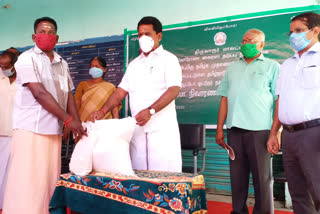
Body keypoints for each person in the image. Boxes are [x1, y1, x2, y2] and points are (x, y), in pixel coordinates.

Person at [2, 17, 86, 214]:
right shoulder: (26, 58)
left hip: (53, 130)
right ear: (34, 36)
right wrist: (68, 120)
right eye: (42, 31)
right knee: (27, 180)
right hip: (30, 129)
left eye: (50, 32)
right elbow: (39, 93)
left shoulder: (61, 63)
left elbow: (69, 96)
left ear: (56, 38)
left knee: (48, 179)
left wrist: (76, 122)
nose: (46, 35)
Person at [91, 16, 182, 172]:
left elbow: (174, 89)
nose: (143, 38)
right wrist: (103, 110)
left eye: (147, 34)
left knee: (165, 180)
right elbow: (120, 92)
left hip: (162, 132)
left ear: (158, 36)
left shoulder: (169, 60)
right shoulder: (134, 65)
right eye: (140, 35)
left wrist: (150, 111)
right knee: (139, 180)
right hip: (138, 132)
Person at [215, 29, 280, 214]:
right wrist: (220, 129)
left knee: (262, 179)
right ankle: (238, 211)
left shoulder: (272, 67)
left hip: (260, 132)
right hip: (234, 131)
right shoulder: (232, 68)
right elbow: (224, 99)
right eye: (243, 41)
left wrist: (276, 132)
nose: (245, 44)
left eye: (250, 41)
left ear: (261, 44)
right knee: (237, 179)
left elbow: (279, 100)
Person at [267, 12, 320, 214]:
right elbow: (280, 100)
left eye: (299, 31)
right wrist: (274, 132)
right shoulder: (287, 65)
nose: (293, 36)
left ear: (315, 31)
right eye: (291, 32)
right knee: (298, 194)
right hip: (289, 136)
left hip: (314, 133)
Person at [74, 56, 119, 121]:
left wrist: (116, 123)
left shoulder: (110, 87)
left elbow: (114, 108)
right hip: (84, 124)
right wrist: (75, 122)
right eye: (92, 66)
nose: (94, 68)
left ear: (104, 69)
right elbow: (77, 105)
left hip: (103, 125)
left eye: (97, 66)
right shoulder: (82, 85)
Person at [0, 50, 18, 211]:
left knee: (11, 172)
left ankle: (7, 204)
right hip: (0, 131)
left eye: (6, 66)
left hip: (16, 132)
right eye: (1, 65)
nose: (3, 68)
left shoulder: (23, 81)